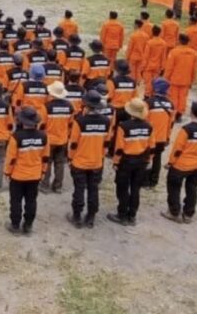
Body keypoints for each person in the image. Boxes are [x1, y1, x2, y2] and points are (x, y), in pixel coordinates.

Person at [161, 101, 197, 224]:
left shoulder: (186, 129)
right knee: (192, 188)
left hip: (181, 165)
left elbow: (177, 149)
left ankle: (174, 212)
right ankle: (188, 214)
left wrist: (171, 163)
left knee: (174, 186)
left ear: (191, 112)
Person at [107, 98, 154, 226]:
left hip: (126, 162)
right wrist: (149, 160)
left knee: (122, 188)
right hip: (141, 161)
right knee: (135, 189)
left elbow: (119, 148)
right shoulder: (149, 127)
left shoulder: (124, 126)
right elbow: (151, 146)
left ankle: (121, 214)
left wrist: (116, 163)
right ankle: (132, 215)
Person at [68, 90, 111, 229]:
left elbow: (73, 143)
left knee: (79, 189)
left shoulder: (79, 121)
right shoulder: (106, 121)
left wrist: (70, 158)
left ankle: (76, 216)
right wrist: (101, 156)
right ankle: (91, 217)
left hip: (80, 162)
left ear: (85, 105)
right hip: (97, 162)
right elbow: (107, 142)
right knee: (94, 189)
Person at [4, 106, 49, 234]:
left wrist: (7, 172)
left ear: (22, 121)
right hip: (35, 175)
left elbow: (11, 158)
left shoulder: (15, 137)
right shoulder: (44, 136)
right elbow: (45, 157)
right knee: (31, 200)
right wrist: (43, 172)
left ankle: (15, 225)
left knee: (16, 200)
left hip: (18, 176)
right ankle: (28, 225)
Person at [40, 82, 73, 194]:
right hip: (62, 139)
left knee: (47, 162)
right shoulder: (69, 106)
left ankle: (45, 186)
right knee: (59, 164)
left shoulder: (46, 107)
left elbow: (41, 125)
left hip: (49, 140)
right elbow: (71, 123)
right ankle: (58, 186)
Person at [144, 78, 174, 188]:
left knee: (147, 158)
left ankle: (145, 181)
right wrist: (167, 138)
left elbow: (144, 120)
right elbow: (171, 124)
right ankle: (154, 181)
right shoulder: (170, 104)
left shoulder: (149, 103)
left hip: (150, 137)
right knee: (157, 159)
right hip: (162, 138)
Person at [165, 34, 197, 121]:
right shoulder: (194, 53)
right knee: (183, 97)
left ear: (179, 41)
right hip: (186, 80)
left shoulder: (174, 52)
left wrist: (165, 78)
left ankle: (172, 113)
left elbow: (169, 67)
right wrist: (192, 80)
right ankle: (179, 114)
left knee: (173, 97)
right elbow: (194, 69)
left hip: (174, 79)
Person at [141, 26, 167, 97]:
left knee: (148, 82)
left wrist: (142, 67)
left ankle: (147, 95)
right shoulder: (163, 43)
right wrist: (163, 67)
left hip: (148, 66)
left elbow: (146, 56)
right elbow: (163, 56)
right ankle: (153, 95)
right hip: (157, 66)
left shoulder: (149, 43)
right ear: (160, 33)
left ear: (152, 32)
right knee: (155, 81)